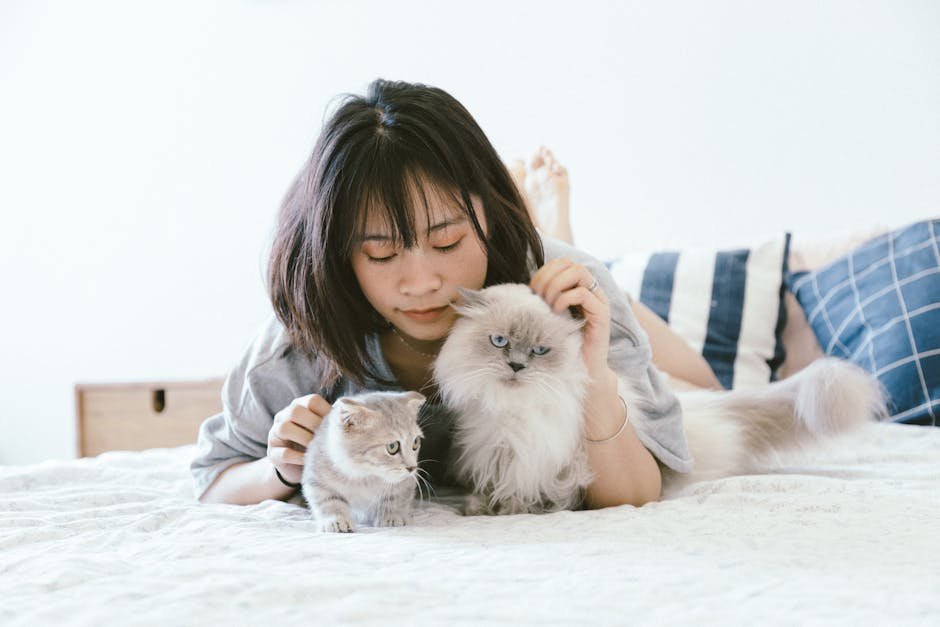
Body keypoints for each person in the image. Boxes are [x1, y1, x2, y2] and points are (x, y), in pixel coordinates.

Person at [192, 79, 715, 509]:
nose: (420, 283)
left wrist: (595, 376)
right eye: (379, 253)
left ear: (490, 210)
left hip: (541, 279)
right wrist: (279, 469)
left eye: (447, 240)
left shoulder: (571, 293)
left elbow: (637, 493)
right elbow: (215, 480)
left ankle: (556, 227)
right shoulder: (300, 339)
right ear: (336, 254)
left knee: (706, 389)